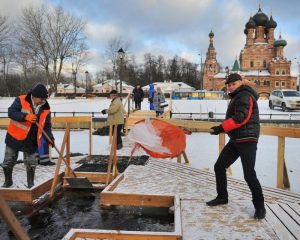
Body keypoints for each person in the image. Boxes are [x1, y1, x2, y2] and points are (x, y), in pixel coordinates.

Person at [206, 73, 266, 220]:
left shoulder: (245, 95)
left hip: (247, 140)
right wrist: (223, 128)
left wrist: (222, 128)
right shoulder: (238, 96)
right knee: (219, 166)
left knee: (249, 174)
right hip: (237, 139)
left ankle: (260, 207)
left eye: (233, 84)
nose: (230, 87)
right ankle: (222, 197)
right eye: (229, 85)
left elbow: (241, 117)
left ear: (240, 83)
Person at [1, 83, 54, 188]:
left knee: (31, 162)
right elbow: (11, 112)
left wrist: (50, 138)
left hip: (32, 139)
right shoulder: (21, 100)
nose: (43, 101)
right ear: (34, 96)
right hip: (14, 136)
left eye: (44, 98)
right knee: (9, 160)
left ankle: (31, 183)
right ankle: (8, 181)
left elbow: (46, 126)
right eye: (41, 98)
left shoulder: (46, 108)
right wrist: (26, 116)